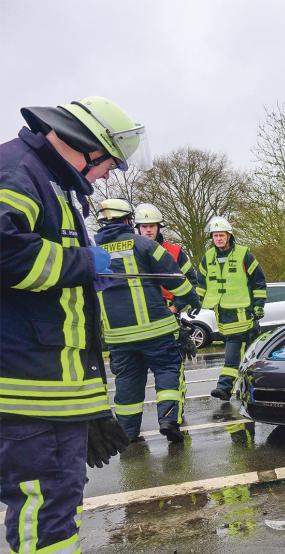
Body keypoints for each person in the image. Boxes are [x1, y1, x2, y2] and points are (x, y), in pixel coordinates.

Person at [0, 96, 142, 553]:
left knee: (56, 501)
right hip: (31, 386)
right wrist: (81, 262)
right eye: (110, 164)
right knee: (45, 507)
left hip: (51, 385)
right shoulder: (18, 171)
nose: (107, 176)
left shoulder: (46, 179)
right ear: (88, 146)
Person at [94, 199, 201, 443]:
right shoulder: (143, 245)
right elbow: (175, 277)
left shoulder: (91, 252)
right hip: (156, 330)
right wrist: (190, 299)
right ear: (128, 221)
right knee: (167, 371)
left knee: (127, 382)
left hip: (118, 337)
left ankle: (128, 434)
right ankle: (168, 420)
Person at [196, 216, 267, 401]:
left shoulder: (244, 255)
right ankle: (246, 389)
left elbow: (258, 282)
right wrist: (195, 303)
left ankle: (224, 387)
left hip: (243, 313)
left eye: (221, 235)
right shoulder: (208, 258)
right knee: (242, 355)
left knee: (234, 352)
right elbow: (201, 284)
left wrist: (258, 305)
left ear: (229, 235)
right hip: (222, 314)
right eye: (215, 236)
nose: (218, 239)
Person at [133, 203, 201, 312]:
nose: (148, 230)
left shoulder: (175, 251)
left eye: (152, 226)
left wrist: (177, 306)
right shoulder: (131, 253)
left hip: (171, 311)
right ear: (139, 229)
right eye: (144, 226)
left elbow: (191, 281)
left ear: (159, 227)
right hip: (142, 313)